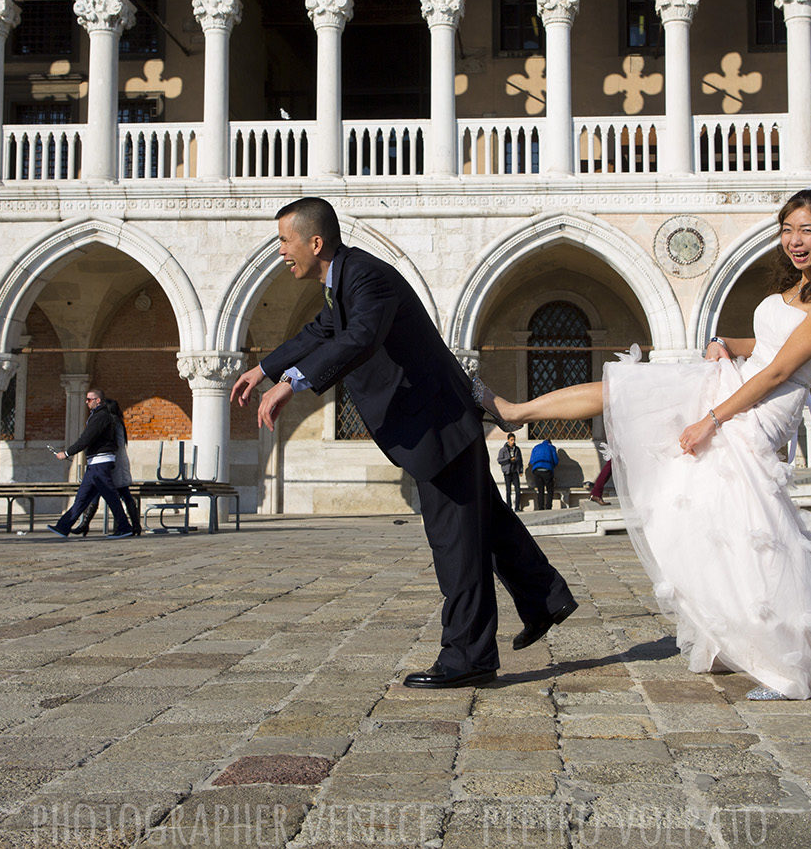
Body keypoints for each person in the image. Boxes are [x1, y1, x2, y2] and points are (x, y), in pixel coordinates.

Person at [476, 185, 811, 700]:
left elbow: (781, 371)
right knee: (636, 393)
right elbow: (765, 348)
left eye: (807, 230)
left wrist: (711, 420)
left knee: (753, 531)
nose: (794, 240)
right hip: (739, 384)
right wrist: (725, 343)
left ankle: (790, 660)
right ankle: (514, 411)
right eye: (788, 229)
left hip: (760, 409)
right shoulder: (795, 291)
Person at [231, 197, 576, 689]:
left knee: (456, 541)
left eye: (285, 241)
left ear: (315, 241)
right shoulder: (342, 283)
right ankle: (546, 598)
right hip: (440, 420)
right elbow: (321, 331)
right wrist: (264, 369)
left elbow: (359, 340)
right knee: (486, 520)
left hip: (438, 424)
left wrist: (292, 382)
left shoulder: (365, 276)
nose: (280, 251)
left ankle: (469, 657)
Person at [47, 388, 134, 538]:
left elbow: (86, 438)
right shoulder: (98, 416)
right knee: (83, 497)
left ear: (97, 400)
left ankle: (124, 527)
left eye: (89, 399)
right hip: (95, 463)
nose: (86, 402)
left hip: (101, 463)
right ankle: (63, 526)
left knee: (111, 496)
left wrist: (67, 453)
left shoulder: (101, 417)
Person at [73, 399, 141, 536]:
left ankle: (128, 526)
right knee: (109, 493)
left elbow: (111, 444)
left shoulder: (112, 422)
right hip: (115, 463)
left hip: (112, 463)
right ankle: (86, 524)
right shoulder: (117, 422)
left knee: (117, 494)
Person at [527, 437, 558, 511]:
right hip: (547, 470)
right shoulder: (551, 447)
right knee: (549, 489)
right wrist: (551, 467)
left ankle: (540, 507)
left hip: (537, 470)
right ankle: (548, 507)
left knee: (540, 490)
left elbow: (531, 461)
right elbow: (556, 461)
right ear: (550, 442)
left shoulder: (536, 447)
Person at [495, 433, 524, 511]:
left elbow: (520, 460)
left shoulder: (517, 449)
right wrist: (509, 460)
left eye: (514, 440)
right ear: (508, 440)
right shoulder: (503, 450)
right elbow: (499, 460)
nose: (513, 442)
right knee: (508, 491)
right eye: (511, 440)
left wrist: (520, 470)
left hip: (515, 471)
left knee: (518, 490)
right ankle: (509, 507)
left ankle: (517, 507)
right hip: (507, 472)